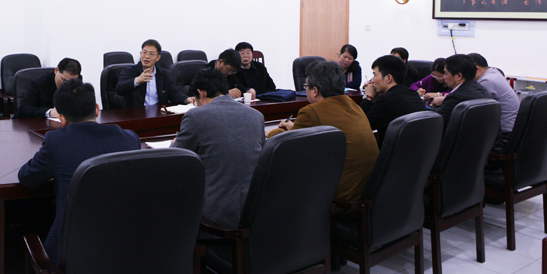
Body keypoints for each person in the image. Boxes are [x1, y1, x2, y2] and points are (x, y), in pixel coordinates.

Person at [18, 80, 140, 274]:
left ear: (62, 118)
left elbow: (27, 178)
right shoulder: (130, 139)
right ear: (97, 109)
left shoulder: (56, 141)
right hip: (125, 248)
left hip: (70, 256)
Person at [269, 60, 378, 201]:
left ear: (315, 91)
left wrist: (271, 133)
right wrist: (293, 128)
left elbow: (285, 147)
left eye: (306, 87)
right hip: (367, 192)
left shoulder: (311, 112)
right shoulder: (354, 106)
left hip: (339, 197)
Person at [172, 67, 265, 227]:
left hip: (214, 215)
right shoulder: (256, 116)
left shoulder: (195, 116)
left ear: (200, 93)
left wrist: (174, 144)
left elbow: (176, 159)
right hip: (254, 211)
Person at [361, 55, 426, 146]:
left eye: (375, 74)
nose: (372, 80)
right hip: (414, 150)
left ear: (388, 78)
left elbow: (360, 126)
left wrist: (369, 97)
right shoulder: (413, 94)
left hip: (390, 152)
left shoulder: (386, 100)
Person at [116, 39, 192, 108]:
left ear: (158, 57)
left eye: (151, 54)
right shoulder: (129, 71)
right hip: (136, 114)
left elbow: (173, 93)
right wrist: (137, 80)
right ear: (140, 53)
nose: (146, 56)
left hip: (158, 113)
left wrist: (186, 99)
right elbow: (119, 89)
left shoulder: (164, 74)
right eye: (144, 52)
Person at [429, 54, 493, 133]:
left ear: (459, 76)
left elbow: (435, 122)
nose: (444, 77)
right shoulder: (481, 89)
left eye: (446, 73)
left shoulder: (456, 97)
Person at [468, 53, 520, 134]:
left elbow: (478, 108)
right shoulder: (494, 72)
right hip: (514, 125)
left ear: (477, 69)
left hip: (506, 130)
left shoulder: (487, 81)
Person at [15, 57, 82, 119]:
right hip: (38, 123)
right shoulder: (39, 83)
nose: (67, 84)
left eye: (71, 82)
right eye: (64, 80)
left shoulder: (77, 82)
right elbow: (23, 110)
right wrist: (49, 112)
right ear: (56, 70)